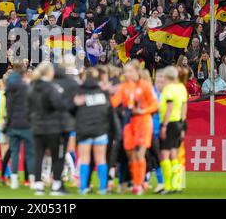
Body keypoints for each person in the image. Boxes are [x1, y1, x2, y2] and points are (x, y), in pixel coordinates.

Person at [111, 60, 158, 195]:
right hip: (129, 124)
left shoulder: (145, 86)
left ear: (137, 71)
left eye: (130, 71)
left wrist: (143, 111)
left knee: (139, 155)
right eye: (126, 71)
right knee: (131, 157)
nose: (127, 74)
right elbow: (114, 102)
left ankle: (138, 184)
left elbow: (155, 105)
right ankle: (137, 181)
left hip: (143, 122)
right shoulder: (124, 86)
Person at [73, 67, 117, 195]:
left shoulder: (80, 92)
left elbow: (72, 110)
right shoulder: (102, 93)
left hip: (84, 130)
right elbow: (109, 111)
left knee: (85, 158)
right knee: (101, 159)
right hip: (100, 130)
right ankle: (103, 188)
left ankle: (83, 188)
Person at [27, 62, 67, 195]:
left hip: (37, 126)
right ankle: (56, 185)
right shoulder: (51, 87)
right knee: (56, 156)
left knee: (39, 156)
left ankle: (38, 185)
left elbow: (28, 107)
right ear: (49, 72)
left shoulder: (32, 87)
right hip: (52, 127)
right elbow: (58, 105)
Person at [4, 62, 35, 189]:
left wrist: (8, 122)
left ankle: (15, 180)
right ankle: (32, 180)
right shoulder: (28, 87)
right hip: (27, 123)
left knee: (14, 152)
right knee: (30, 153)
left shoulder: (9, 87)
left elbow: (9, 107)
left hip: (14, 123)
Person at [158, 66, 188, 194]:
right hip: (178, 123)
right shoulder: (181, 88)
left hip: (169, 123)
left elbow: (168, 108)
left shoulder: (169, 89)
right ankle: (176, 184)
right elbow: (183, 106)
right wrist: (183, 124)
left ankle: (168, 185)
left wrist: (164, 126)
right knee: (174, 154)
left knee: (164, 155)